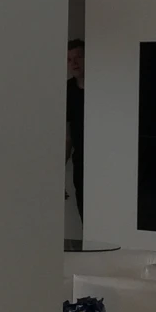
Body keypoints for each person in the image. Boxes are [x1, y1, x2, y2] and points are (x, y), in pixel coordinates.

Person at [66, 39, 85, 217]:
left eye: (79, 57)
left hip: (106, 159)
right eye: (70, 59)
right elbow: (68, 136)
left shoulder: (103, 86)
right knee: (84, 212)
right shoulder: (68, 90)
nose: (74, 63)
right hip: (81, 162)